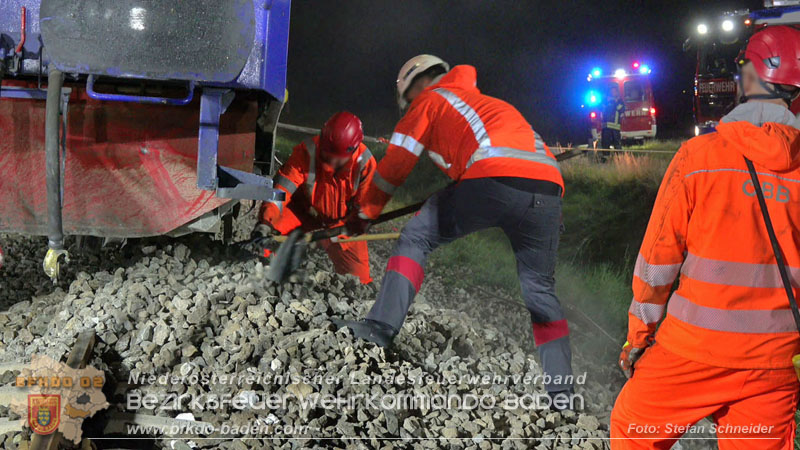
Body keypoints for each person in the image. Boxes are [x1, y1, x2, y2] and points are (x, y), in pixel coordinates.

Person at [335, 54, 574, 400]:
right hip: (549, 190)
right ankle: (562, 391)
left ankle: (379, 326)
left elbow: (396, 163)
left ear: (416, 85)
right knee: (539, 289)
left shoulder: (432, 99)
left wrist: (365, 214)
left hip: (493, 178)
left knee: (417, 237)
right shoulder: (487, 103)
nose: (408, 105)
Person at [611, 26, 800, 449]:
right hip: (774, 362)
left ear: (748, 77)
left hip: (692, 352)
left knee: (632, 428)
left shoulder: (698, 158)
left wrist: (638, 340)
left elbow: (658, 261)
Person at [258, 111, 376, 284]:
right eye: (326, 153)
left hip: (340, 225)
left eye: (335, 158)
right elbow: (280, 191)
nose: (328, 161)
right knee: (271, 235)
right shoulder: (307, 152)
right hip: (304, 213)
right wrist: (265, 222)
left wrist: (331, 235)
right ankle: (265, 272)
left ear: (353, 150)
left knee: (358, 279)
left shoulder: (365, 164)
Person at [600, 85, 624, 160]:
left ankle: (620, 158)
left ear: (617, 92)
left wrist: (614, 102)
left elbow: (619, 108)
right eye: (611, 91)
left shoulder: (620, 101)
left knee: (617, 143)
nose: (612, 93)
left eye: (614, 91)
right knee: (605, 143)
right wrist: (609, 101)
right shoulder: (605, 101)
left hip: (615, 126)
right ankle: (605, 158)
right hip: (606, 126)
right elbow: (602, 108)